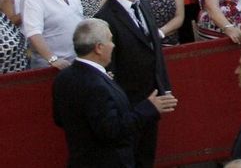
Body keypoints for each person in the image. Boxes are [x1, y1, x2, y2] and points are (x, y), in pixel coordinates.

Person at [52, 17, 176, 168]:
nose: (113, 45)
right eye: (110, 40)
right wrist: (148, 108)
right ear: (98, 48)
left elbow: (59, 118)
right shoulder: (96, 85)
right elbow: (112, 130)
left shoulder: (63, 78)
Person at [95, 0, 172, 168]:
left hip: (151, 95)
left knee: (147, 155)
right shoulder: (106, 18)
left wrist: (163, 88)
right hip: (128, 103)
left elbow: (155, 49)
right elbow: (110, 65)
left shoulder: (142, 3)